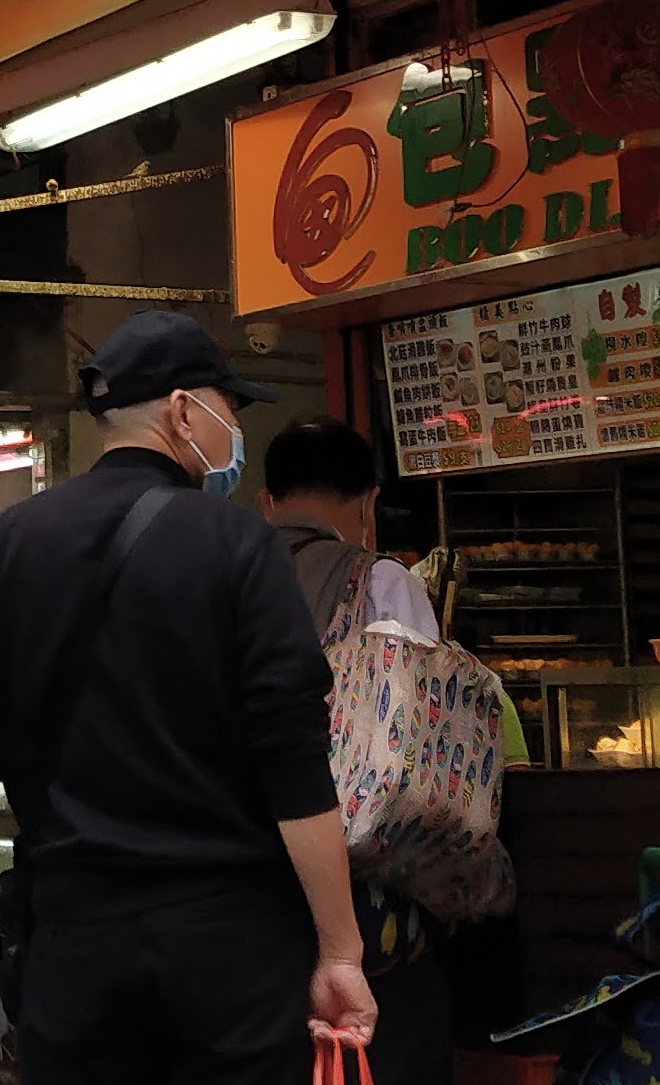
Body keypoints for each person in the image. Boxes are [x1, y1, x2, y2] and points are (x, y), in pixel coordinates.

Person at [0, 310, 377, 1084]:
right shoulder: (241, 547)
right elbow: (296, 767)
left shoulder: (5, 545)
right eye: (228, 408)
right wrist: (340, 950)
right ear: (180, 411)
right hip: (228, 949)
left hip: (73, 948)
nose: (234, 429)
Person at [258, 418, 464, 1085]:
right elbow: (425, 742)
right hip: (362, 881)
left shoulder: (223, 571)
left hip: (244, 876)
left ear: (268, 500)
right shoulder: (384, 581)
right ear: (368, 503)